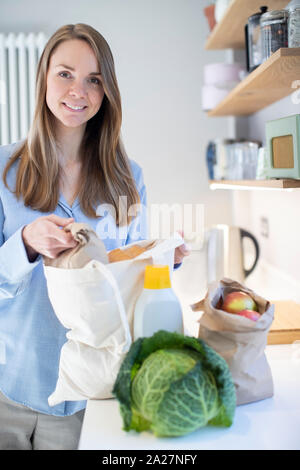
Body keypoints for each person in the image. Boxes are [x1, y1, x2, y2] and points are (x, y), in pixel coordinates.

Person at [0, 24, 190, 450]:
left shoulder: (128, 178)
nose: (77, 91)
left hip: (91, 398)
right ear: (44, 78)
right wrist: (25, 243)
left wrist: (161, 259)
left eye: (94, 80)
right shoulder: (3, 170)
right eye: (65, 74)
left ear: (106, 93)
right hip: (10, 386)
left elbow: (125, 281)